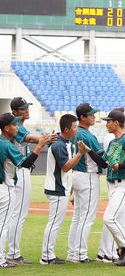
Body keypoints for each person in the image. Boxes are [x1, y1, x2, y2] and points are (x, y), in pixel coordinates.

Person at [6, 97, 56, 265]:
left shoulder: (18, 126)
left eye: (27, 107)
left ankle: (13, 252)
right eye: (23, 108)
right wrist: (45, 139)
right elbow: (30, 139)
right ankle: (13, 253)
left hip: (19, 171)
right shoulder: (16, 127)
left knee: (16, 214)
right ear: (14, 112)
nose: (27, 110)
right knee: (18, 215)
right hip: (19, 171)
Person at [41, 114, 90, 264]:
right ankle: (47, 256)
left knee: (56, 222)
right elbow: (66, 166)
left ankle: (48, 255)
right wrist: (81, 153)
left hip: (61, 187)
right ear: (67, 129)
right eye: (74, 127)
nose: (76, 129)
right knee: (55, 223)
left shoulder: (66, 143)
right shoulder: (59, 145)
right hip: (57, 188)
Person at [97, 110, 125, 266]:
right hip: (113, 185)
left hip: (124, 184)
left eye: (108, 121)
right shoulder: (112, 142)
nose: (106, 124)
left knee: (109, 218)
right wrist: (88, 151)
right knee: (122, 223)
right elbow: (103, 163)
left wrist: (120, 165)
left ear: (116, 122)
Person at [67, 103, 105, 263]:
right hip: (87, 176)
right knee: (86, 218)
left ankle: (72, 253)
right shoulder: (88, 136)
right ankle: (81, 254)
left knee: (77, 217)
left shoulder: (75, 133)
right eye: (90, 114)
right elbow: (102, 158)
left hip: (75, 174)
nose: (93, 116)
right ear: (82, 117)